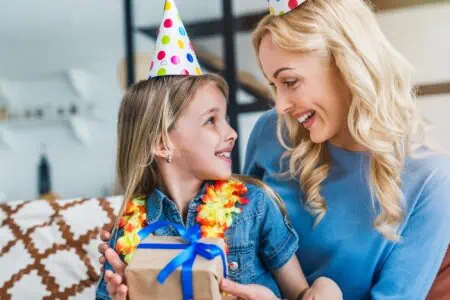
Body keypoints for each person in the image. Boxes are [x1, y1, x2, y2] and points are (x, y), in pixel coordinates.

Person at [100, 0, 450, 299]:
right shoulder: (272, 131)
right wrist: (145, 253)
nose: (280, 105)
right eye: (273, 85)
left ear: (347, 64)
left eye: (290, 81)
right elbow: (222, 220)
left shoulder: (432, 178)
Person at [95, 1, 342, 300]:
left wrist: (326, 290)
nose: (232, 133)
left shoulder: (253, 206)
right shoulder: (129, 228)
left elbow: (301, 294)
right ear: (162, 144)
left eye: (224, 118)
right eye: (211, 120)